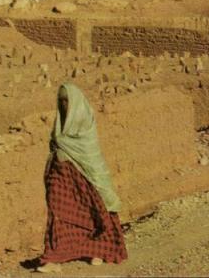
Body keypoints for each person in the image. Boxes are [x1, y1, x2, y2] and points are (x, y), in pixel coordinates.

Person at [35, 83, 127, 273]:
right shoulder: (60, 123)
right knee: (57, 212)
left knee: (96, 210)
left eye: (67, 101)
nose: (64, 105)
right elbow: (57, 143)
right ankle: (53, 258)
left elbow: (86, 149)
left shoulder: (84, 121)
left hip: (87, 174)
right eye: (60, 100)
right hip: (61, 175)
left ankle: (99, 250)